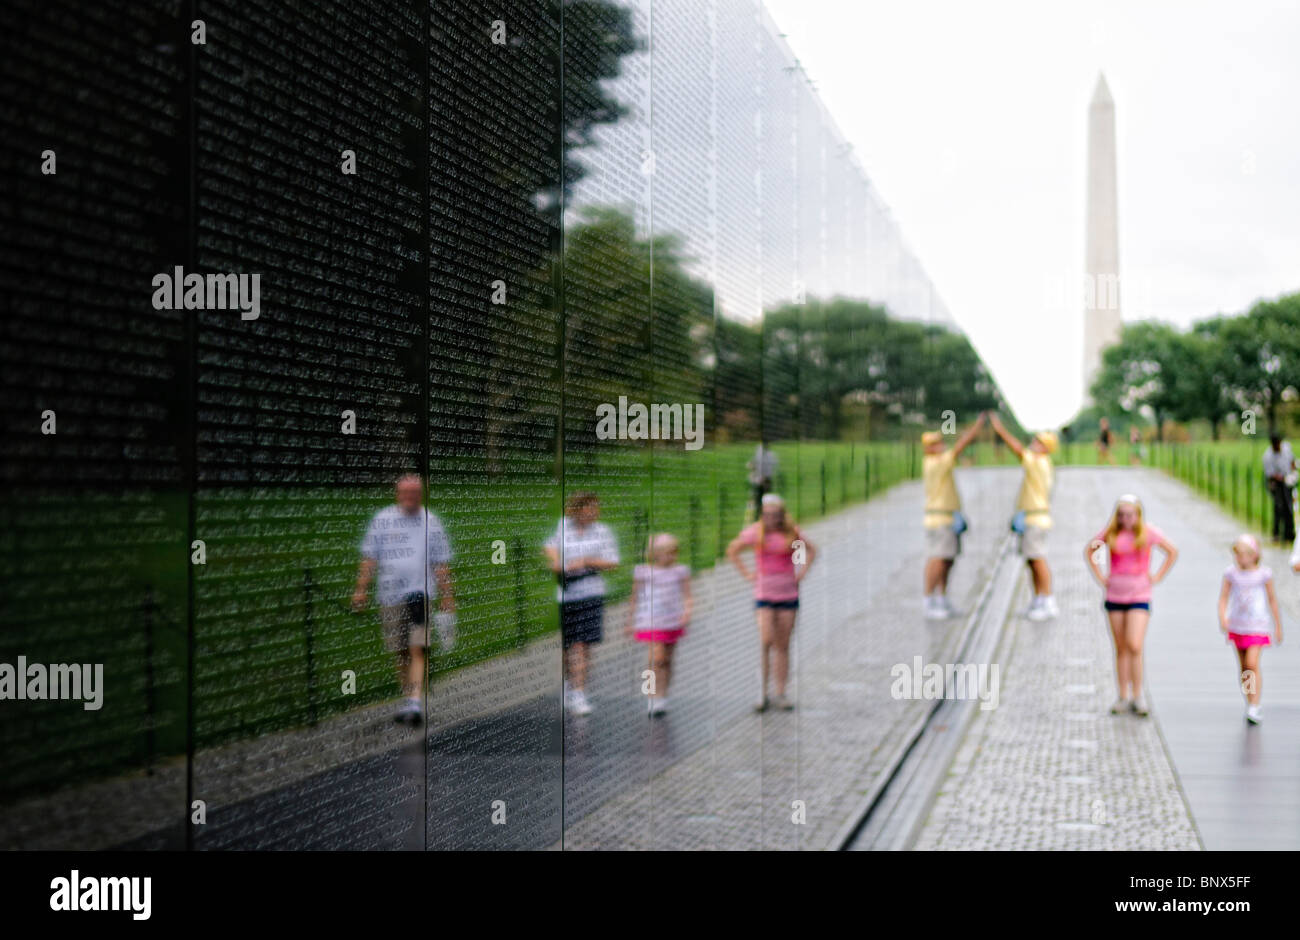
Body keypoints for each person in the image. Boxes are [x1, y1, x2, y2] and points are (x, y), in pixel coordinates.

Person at [352, 473, 456, 726]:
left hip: (420, 593)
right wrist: (360, 590)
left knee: (417, 647)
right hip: (390, 596)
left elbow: (440, 562)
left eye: (415, 493)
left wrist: (447, 595)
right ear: (398, 494)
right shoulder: (383, 520)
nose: (410, 498)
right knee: (399, 650)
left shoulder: (431, 522)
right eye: (405, 493)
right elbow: (370, 558)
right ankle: (408, 699)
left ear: (421, 495)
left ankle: (415, 702)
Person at [1084, 494, 1178, 717]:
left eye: (1130, 515)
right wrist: (1101, 577)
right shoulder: (1111, 533)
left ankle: (1138, 694)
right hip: (1115, 593)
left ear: (1138, 515)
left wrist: (1157, 576)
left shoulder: (1148, 533)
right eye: (1122, 515)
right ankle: (1123, 695)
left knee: (1134, 644)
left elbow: (1171, 551)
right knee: (1121, 647)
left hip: (1139, 593)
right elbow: (1091, 550)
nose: (1126, 519)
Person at [726, 493, 816, 712]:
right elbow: (733, 550)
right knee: (766, 640)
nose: (771, 519)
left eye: (775, 515)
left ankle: (781, 692)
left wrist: (801, 573)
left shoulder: (791, 532)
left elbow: (811, 550)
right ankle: (761, 691)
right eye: (767, 515)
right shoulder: (756, 533)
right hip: (764, 594)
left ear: (782, 515)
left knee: (782, 645)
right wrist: (748, 574)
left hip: (787, 593)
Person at [544, 491, 619, 716]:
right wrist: (556, 561)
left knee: (582, 645)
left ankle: (579, 692)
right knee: (570, 645)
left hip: (591, 591)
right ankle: (570, 685)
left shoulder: (602, 532)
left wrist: (587, 561)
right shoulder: (563, 526)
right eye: (590, 508)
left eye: (596, 508)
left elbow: (613, 562)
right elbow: (549, 545)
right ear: (578, 509)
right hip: (567, 593)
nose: (594, 512)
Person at [989, 414, 1059, 620]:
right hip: (1032, 518)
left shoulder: (1038, 462)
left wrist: (1000, 429)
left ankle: (1047, 599)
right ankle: (1039, 599)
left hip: (1035, 519)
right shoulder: (1041, 462)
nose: (1034, 444)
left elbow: (1017, 449)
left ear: (1045, 447)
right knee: (1032, 561)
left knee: (1037, 560)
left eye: (1038, 442)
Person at [921, 412, 985, 619]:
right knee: (938, 558)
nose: (940, 446)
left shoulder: (938, 462)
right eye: (936, 443)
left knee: (947, 560)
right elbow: (960, 447)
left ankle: (941, 597)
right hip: (940, 519)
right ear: (929, 448)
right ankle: (929, 599)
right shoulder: (936, 463)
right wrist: (976, 426)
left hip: (948, 518)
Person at [1218, 535, 1283, 725]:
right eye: (1238, 555)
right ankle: (1250, 700)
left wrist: (1277, 625)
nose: (1241, 559)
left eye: (1245, 555)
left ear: (1254, 555)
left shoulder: (1264, 574)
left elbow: (1272, 600)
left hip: (1257, 625)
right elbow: (1223, 597)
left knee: (1252, 662)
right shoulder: (1231, 574)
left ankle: (1255, 703)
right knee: (1245, 667)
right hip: (1239, 625)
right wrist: (1223, 617)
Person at [626, 533, 692, 717]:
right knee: (657, 658)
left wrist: (687, 611)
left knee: (668, 660)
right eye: (667, 553)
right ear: (655, 554)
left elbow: (687, 595)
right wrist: (629, 620)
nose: (672, 557)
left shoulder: (680, 571)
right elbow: (634, 597)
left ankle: (663, 695)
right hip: (651, 620)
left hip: (672, 620)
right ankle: (651, 696)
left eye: (674, 553)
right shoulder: (643, 571)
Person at [1262, 433, 1296, 545]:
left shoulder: (1286, 449)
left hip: (1287, 481)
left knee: (1289, 507)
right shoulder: (1268, 456)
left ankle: (1289, 533)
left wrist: (1292, 473)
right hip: (1276, 484)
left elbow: (1292, 461)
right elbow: (1270, 474)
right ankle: (1276, 533)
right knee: (1278, 508)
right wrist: (1279, 478)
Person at [746, 443, 779, 520]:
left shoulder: (767, 455)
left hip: (763, 480)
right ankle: (760, 517)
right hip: (763, 480)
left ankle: (761, 517)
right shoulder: (769, 455)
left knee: (761, 501)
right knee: (762, 500)